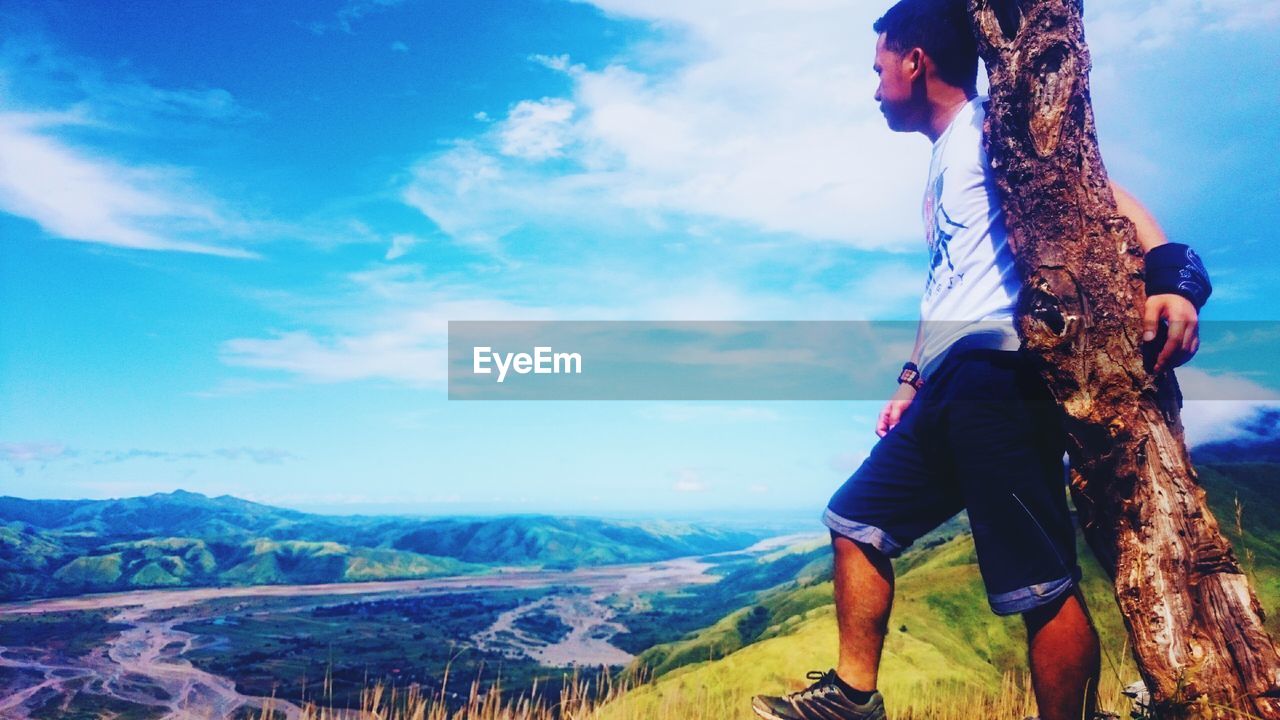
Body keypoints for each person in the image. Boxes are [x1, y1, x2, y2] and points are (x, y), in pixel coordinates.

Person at [750, 0, 1210, 718]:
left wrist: (1173, 282)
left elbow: (1107, 197)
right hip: (946, 384)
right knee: (855, 522)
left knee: (1039, 582)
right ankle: (852, 696)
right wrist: (910, 378)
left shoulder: (994, 124)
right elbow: (945, 284)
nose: (873, 88)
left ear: (915, 60)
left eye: (877, 69)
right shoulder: (942, 161)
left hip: (1003, 373)